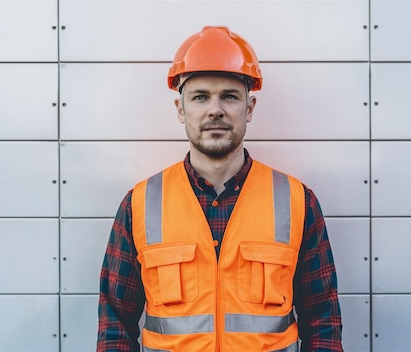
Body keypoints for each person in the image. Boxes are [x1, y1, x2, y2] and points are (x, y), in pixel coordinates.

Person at [97, 26, 342, 352]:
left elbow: (323, 321)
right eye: (200, 97)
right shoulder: (140, 205)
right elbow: (115, 327)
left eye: (229, 96)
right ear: (180, 110)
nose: (215, 110)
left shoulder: (297, 202)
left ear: (249, 108)